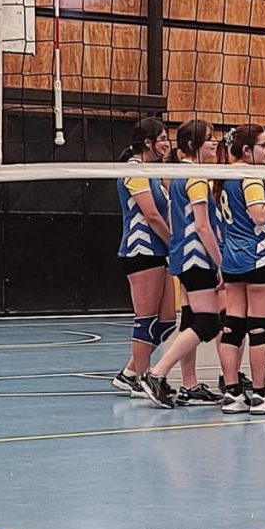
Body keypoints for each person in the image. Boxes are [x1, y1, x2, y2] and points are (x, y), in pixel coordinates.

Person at [139, 119, 226, 409]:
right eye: (209, 138)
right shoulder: (196, 177)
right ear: (193, 145)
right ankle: (157, 373)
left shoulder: (178, 175)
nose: (215, 143)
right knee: (208, 323)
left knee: (190, 320)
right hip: (196, 256)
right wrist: (220, 264)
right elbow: (202, 226)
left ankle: (189, 385)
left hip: (182, 255)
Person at [219, 124, 265, 415]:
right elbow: (259, 216)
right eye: (263, 145)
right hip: (260, 259)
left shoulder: (223, 176)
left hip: (232, 260)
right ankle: (259, 396)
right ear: (247, 150)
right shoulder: (250, 176)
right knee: (259, 328)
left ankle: (232, 394)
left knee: (232, 327)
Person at [112, 117, 176, 391]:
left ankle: (129, 373)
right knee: (146, 319)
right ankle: (142, 379)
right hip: (141, 250)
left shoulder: (154, 172)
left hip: (158, 250)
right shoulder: (134, 170)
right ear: (148, 143)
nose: (167, 144)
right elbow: (151, 214)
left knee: (168, 322)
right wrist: (175, 245)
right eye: (162, 139)